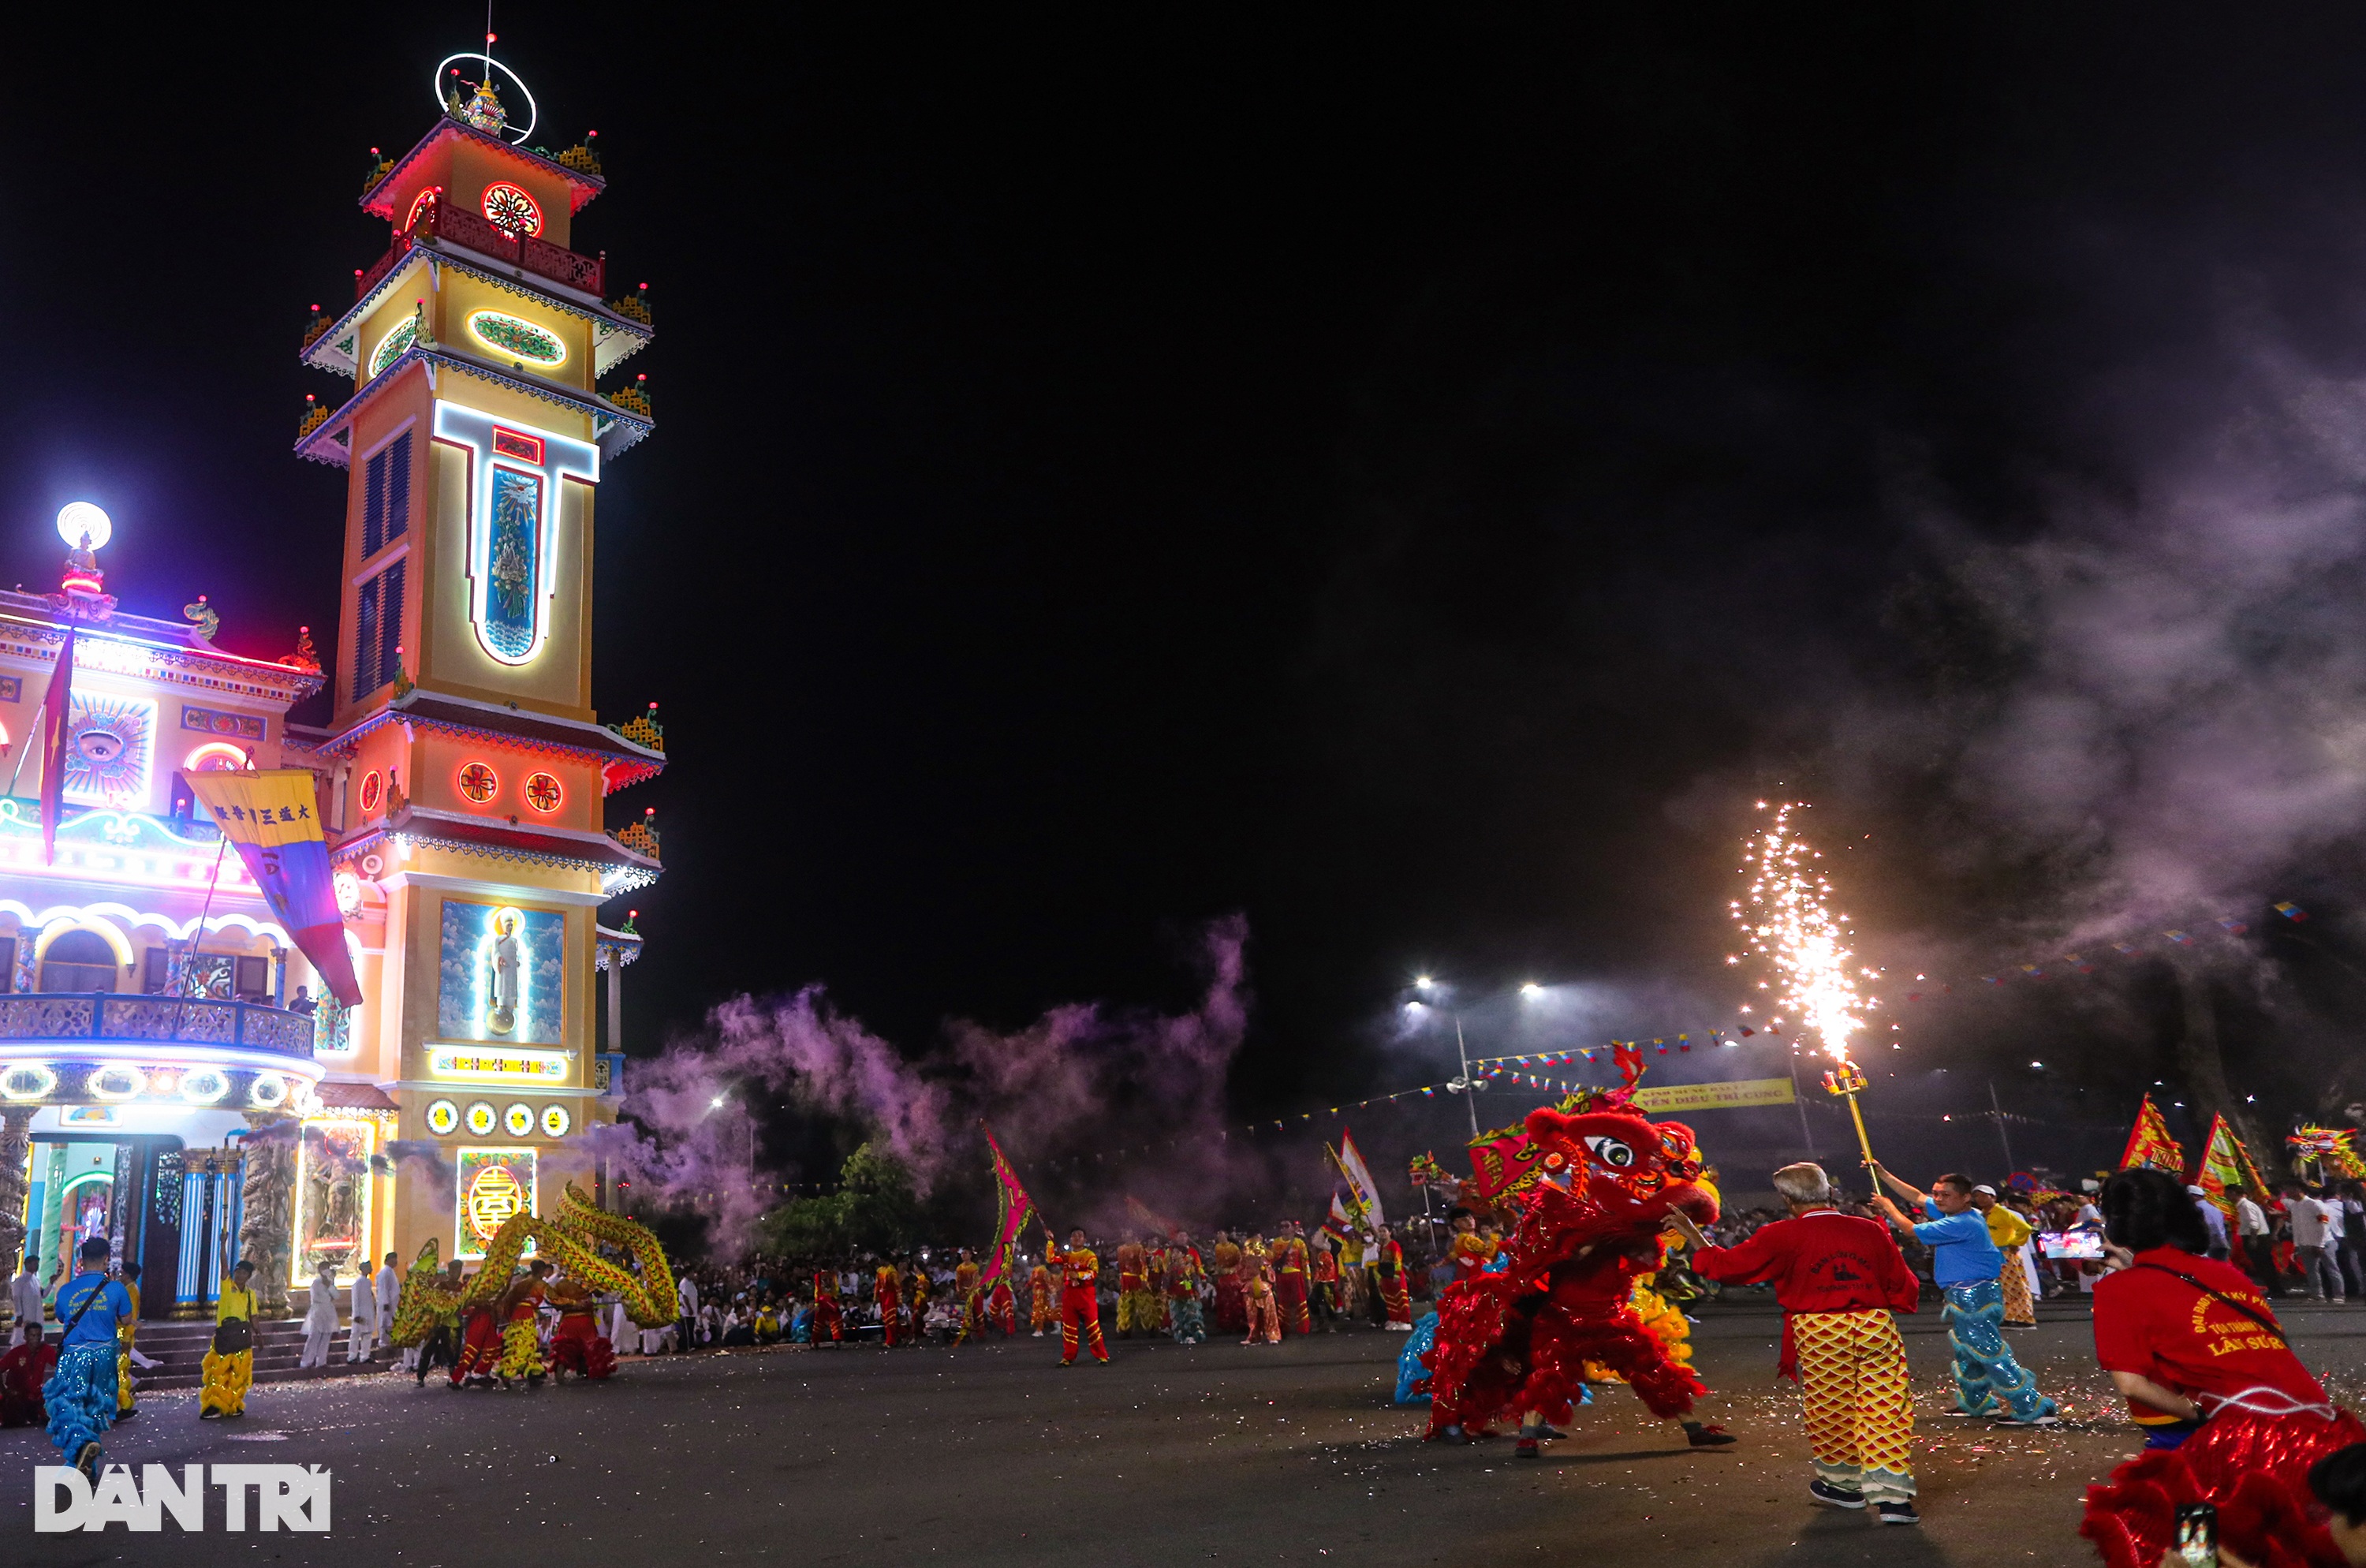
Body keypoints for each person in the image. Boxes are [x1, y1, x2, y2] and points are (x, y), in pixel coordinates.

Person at [2079, 1167, 2366, 1568]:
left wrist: (2197, 1414)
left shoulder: (2118, 1289)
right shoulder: (2227, 1274)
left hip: (2241, 1439)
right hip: (2323, 1428)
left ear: (2116, 1227)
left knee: (2193, 1543)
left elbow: (2133, 1385)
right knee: (2306, 1549)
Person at [1677, 1162, 1922, 1525]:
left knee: (1832, 1410)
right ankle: (1894, 1500)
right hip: (1874, 1325)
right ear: (1827, 1191)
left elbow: (1727, 1267)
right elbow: (1902, 1282)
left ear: (1788, 1198)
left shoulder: (1779, 1233)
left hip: (1819, 1329)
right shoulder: (1868, 1228)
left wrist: (1693, 1234)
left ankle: (1844, 1486)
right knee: (1885, 1409)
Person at [1870, 1164, 2057, 1424]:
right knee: (1967, 1351)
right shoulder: (1964, 1214)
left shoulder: (1962, 1222)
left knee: (1988, 1351)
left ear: (1965, 1197)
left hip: (1973, 1295)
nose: (1937, 1199)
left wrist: (1887, 1207)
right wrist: (1884, 1175)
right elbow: (1915, 1196)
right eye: (1936, 1193)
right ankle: (1976, 1401)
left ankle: (2030, 1406)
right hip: (1964, 1293)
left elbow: (1912, 1231)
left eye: (1945, 1194)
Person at [42, 1238, 132, 1479]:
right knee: (96, 1407)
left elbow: (62, 1318)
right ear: (106, 1259)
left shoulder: (67, 1290)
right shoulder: (116, 1289)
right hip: (104, 1355)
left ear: (80, 1261)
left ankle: (78, 1454)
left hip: (74, 1355)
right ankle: (87, 1459)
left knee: (70, 1405)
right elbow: (126, 1319)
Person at [1970, 1185, 2038, 1329]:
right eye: (1977, 1196)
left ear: (1993, 1197)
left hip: (2006, 1253)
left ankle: (2025, 1319)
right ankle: (2009, 1316)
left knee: (2016, 1286)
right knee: (2002, 1288)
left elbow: (2025, 1228)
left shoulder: (2002, 1212)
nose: (1980, 1199)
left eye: (1983, 1196)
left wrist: (2015, 1243)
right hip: (1992, 1254)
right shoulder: (1983, 1214)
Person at [200, 1260, 259, 1418]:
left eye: (244, 1273)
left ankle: (233, 1405)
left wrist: (259, 1335)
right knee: (218, 1372)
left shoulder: (249, 1294)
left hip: (241, 1337)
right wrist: (223, 1245)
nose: (239, 1275)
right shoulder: (227, 1285)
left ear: (249, 1276)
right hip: (224, 1336)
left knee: (239, 1374)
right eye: (238, 1272)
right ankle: (213, 1406)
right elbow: (224, 1266)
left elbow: (253, 1316)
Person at [1051, 1226, 1110, 1365]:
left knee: (1093, 1326)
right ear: (1070, 1240)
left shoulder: (1090, 1255)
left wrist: (1079, 1275)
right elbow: (1051, 1258)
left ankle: (1102, 1356)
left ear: (1085, 1239)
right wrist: (1050, 1240)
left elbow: (1094, 1273)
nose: (1077, 1238)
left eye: (1080, 1235)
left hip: (1086, 1294)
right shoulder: (1066, 1255)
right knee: (1069, 1327)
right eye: (1074, 1236)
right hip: (1070, 1294)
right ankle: (1068, 1356)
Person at [497, 1260, 550, 1385]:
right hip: (526, 1317)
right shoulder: (540, 1284)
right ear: (542, 1270)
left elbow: (509, 1300)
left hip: (517, 1315)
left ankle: (532, 1374)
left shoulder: (522, 1284)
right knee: (525, 1346)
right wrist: (572, 1303)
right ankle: (507, 1372)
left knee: (523, 1344)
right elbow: (554, 1298)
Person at [2289, 1183, 2345, 1304]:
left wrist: (2320, 1244)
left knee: (2331, 1268)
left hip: (2324, 1243)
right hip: (2306, 1243)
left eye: (2292, 1189)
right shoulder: (2294, 1206)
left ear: (2301, 1190)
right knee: (2311, 1271)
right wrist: (2297, 1244)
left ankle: (2339, 1295)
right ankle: (2317, 1295)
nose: (2290, 1192)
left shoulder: (2316, 1205)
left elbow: (2324, 1224)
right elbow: (2297, 1226)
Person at [0, 1321, 54, 1427]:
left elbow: (60, 1364)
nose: (37, 1338)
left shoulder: (46, 1349)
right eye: (33, 1335)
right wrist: (4, 1391)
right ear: (25, 1337)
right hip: (18, 1396)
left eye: (39, 1335)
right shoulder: (17, 1352)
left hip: (37, 1395)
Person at [2235, 1187, 2279, 1295]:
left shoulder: (2246, 1206)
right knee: (2263, 1266)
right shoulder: (2243, 1206)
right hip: (2257, 1237)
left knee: (2264, 1266)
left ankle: (2276, 1290)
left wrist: (2253, 1239)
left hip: (2257, 1238)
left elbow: (2254, 1224)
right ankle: (2274, 1289)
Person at [1168, 1232, 1207, 1344]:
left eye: (1185, 1236)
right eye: (1180, 1236)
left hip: (1189, 1290)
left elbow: (1198, 1268)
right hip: (1176, 1292)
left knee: (1191, 1312)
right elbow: (1167, 1277)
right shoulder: (1171, 1261)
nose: (1183, 1238)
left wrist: (1202, 1279)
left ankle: (1194, 1333)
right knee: (1178, 1314)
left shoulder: (1192, 1257)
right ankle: (1182, 1335)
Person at [1274, 1223, 1312, 1336]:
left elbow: (1305, 1263)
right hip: (1281, 1276)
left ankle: (1303, 1328)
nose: (1284, 1229)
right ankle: (1283, 1328)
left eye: (1287, 1226)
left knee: (1300, 1302)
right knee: (1282, 1303)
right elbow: (1273, 1261)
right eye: (1282, 1227)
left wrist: (1308, 1280)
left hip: (1296, 1275)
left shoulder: (1299, 1243)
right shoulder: (1276, 1243)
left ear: (1293, 1228)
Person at [1239, 1238, 1281, 1345]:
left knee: (1270, 1313)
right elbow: (1240, 1275)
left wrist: (1263, 1269)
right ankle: (1254, 1336)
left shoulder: (1265, 1261)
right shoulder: (1244, 1261)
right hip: (1250, 1289)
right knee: (1252, 1315)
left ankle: (1272, 1334)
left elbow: (1271, 1276)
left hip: (1264, 1288)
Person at [1371, 1224, 1413, 1330]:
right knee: (1390, 1299)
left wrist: (1397, 1274)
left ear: (1390, 1232)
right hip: (1385, 1275)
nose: (1382, 1233)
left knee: (1401, 1299)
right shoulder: (1381, 1246)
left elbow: (1398, 1260)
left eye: (1384, 1231)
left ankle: (1405, 1321)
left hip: (1394, 1275)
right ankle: (1394, 1319)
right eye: (1380, 1231)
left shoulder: (1394, 1245)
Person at [299, 1260, 338, 1368]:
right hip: (318, 1312)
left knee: (326, 1337)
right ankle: (306, 1362)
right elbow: (319, 1297)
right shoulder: (316, 1283)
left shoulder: (330, 1282)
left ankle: (321, 1362)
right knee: (314, 1337)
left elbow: (336, 1296)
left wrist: (330, 1285)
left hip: (328, 1312)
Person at [1116, 1237, 1154, 1338]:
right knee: (1125, 1305)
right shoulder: (1120, 1249)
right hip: (1126, 1280)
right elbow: (1121, 1267)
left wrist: (1144, 1279)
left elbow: (1144, 1265)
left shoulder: (1138, 1248)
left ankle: (1150, 1327)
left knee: (1143, 1304)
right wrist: (1121, 1279)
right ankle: (1125, 1329)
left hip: (1137, 1279)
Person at [1211, 1230, 1245, 1334]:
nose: (1219, 1236)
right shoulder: (1217, 1248)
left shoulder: (1234, 1247)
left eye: (1221, 1233)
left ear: (1226, 1235)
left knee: (1235, 1300)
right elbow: (1218, 1262)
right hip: (1222, 1277)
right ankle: (1225, 1324)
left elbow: (1240, 1262)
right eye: (1218, 1234)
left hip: (1232, 1276)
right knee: (1222, 1300)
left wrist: (1231, 1270)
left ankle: (1238, 1323)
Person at [2186, 1185, 2232, 1261]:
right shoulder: (2215, 1209)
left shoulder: (2196, 1210)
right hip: (2220, 1243)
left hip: (2207, 1245)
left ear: (2195, 1197)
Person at [348, 1260, 378, 1363]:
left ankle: (365, 1356)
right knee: (356, 1335)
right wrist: (356, 1314)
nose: (371, 1269)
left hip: (368, 1312)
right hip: (360, 1312)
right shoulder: (358, 1282)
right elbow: (355, 1299)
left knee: (368, 1335)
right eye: (369, 1267)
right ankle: (352, 1356)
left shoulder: (368, 1282)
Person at [9, 1253, 43, 1346]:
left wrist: (51, 1284)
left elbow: (41, 1295)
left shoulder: (36, 1280)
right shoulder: (21, 1280)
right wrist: (19, 1314)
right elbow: (16, 1297)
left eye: (37, 1264)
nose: (37, 1266)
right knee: (21, 1339)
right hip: (25, 1315)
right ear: (27, 1264)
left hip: (35, 1313)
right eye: (34, 1264)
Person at [374, 1251, 401, 1350]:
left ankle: (389, 1341)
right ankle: (383, 1341)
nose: (396, 1261)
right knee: (384, 1322)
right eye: (394, 1259)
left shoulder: (391, 1272)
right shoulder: (385, 1272)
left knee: (390, 1323)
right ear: (389, 1260)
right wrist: (385, 1302)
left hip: (392, 1303)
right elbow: (383, 1288)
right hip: (386, 1303)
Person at [875, 1259, 904, 1348]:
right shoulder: (880, 1270)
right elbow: (877, 1285)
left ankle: (890, 1340)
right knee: (886, 1319)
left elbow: (897, 1286)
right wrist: (876, 1297)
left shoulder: (892, 1271)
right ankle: (903, 1334)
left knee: (890, 1319)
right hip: (883, 1295)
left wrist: (899, 1300)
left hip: (891, 1295)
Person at [813, 1266, 844, 1345]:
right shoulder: (833, 1275)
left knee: (819, 1322)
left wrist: (816, 1303)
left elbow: (817, 1290)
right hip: (832, 1301)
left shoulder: (818, 1276)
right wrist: (834, 1296)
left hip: (822, 1301)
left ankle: (815, 1341)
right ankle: (837, 1339)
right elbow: (836, 1288)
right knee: (835, 1321)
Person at [1028, 1255, 1054, 1337]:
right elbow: (1031, 1281)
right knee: (1038, 1309)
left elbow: (1047, 1282)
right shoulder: (1035, 1269)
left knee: (1039, 1310)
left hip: (1042, 1292)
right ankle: (1039, 1328)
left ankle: (1039, 1329)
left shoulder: (1043, 1270)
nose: (1034, 1259)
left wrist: (1051, 1291)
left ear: (1039, 1259)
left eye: (1035, 1257)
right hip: (1037, 1292)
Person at [675, 1268, 700, 1352]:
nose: (693, 1274)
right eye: (692, 1273)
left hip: (693, 1310)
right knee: (687, 1329)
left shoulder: (691, 1283)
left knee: (691, 1328)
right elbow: (685, 1297)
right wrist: (689, 1308)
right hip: (687, 1311)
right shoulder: (684, 1283)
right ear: (687, 1273)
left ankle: (691, 1345)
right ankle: (688, 1346)